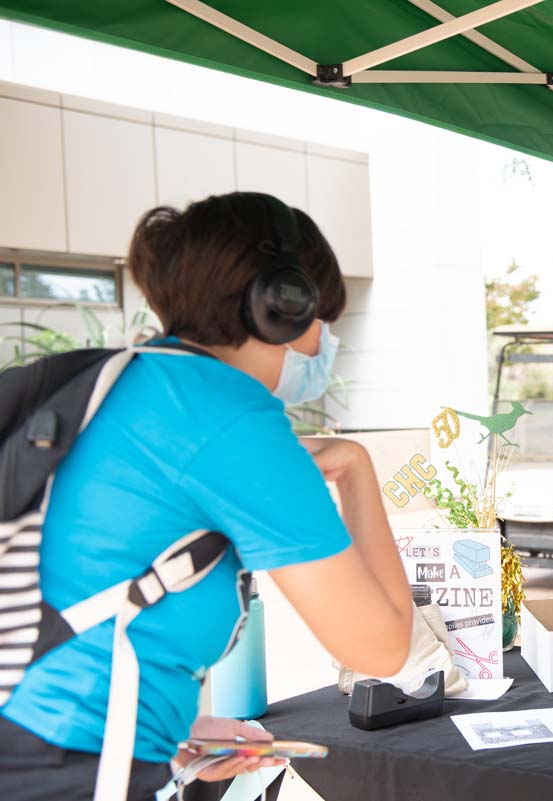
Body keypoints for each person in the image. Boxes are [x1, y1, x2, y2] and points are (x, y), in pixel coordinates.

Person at [0, 192, 414, 800]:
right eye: (323, 316)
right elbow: (380, 646)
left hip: (43, 745)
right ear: (283, 305)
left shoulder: (129, 383)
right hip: (67, 770)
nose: (325, 339)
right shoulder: (230, 415)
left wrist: (174, 733)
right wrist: (355, 468)